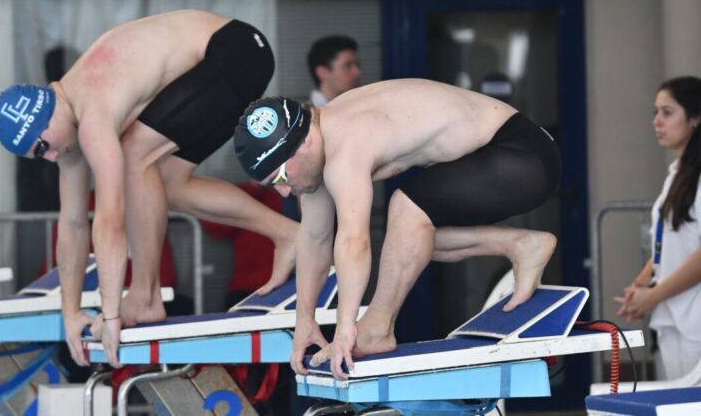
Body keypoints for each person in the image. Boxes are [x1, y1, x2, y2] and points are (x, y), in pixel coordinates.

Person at [0, 10, 298, 368]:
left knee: (135, 154)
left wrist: (110, 318)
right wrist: (70, 312)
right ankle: (288, 234)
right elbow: (73, 223)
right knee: (170, 183)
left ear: (44, 116)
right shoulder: (66, 128)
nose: (52, 157)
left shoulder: (93, 113)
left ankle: (145, 295)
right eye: (39, 157)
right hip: (226, 59)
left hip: (235, 51)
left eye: (43, 147)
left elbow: (110, 221)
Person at [233, 78, 561, 379]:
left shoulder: (344, 144)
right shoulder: (317, 142)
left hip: (523, 155)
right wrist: (304, 318)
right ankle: (521, 245)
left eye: (279, 178)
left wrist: (346, 327)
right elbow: (315, 237)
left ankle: (377, 329)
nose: (284, 192)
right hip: (513, 159)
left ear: (302, 144)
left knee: (406, 210)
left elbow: (353, 241)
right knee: (407, 245)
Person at [615, 76, 701, 380]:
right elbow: (669, 245)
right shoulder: (677, 174)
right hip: (673, 313)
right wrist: (641, 286)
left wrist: (654, 295)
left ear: (695, 118)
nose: (657, 121)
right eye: (655, 112)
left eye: (667, 112)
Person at [306, 35, 361, 107]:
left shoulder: (355, 106)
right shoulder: (310, 116)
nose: (357, 73)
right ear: (322, 73)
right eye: (348, 66)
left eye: (357, 65)